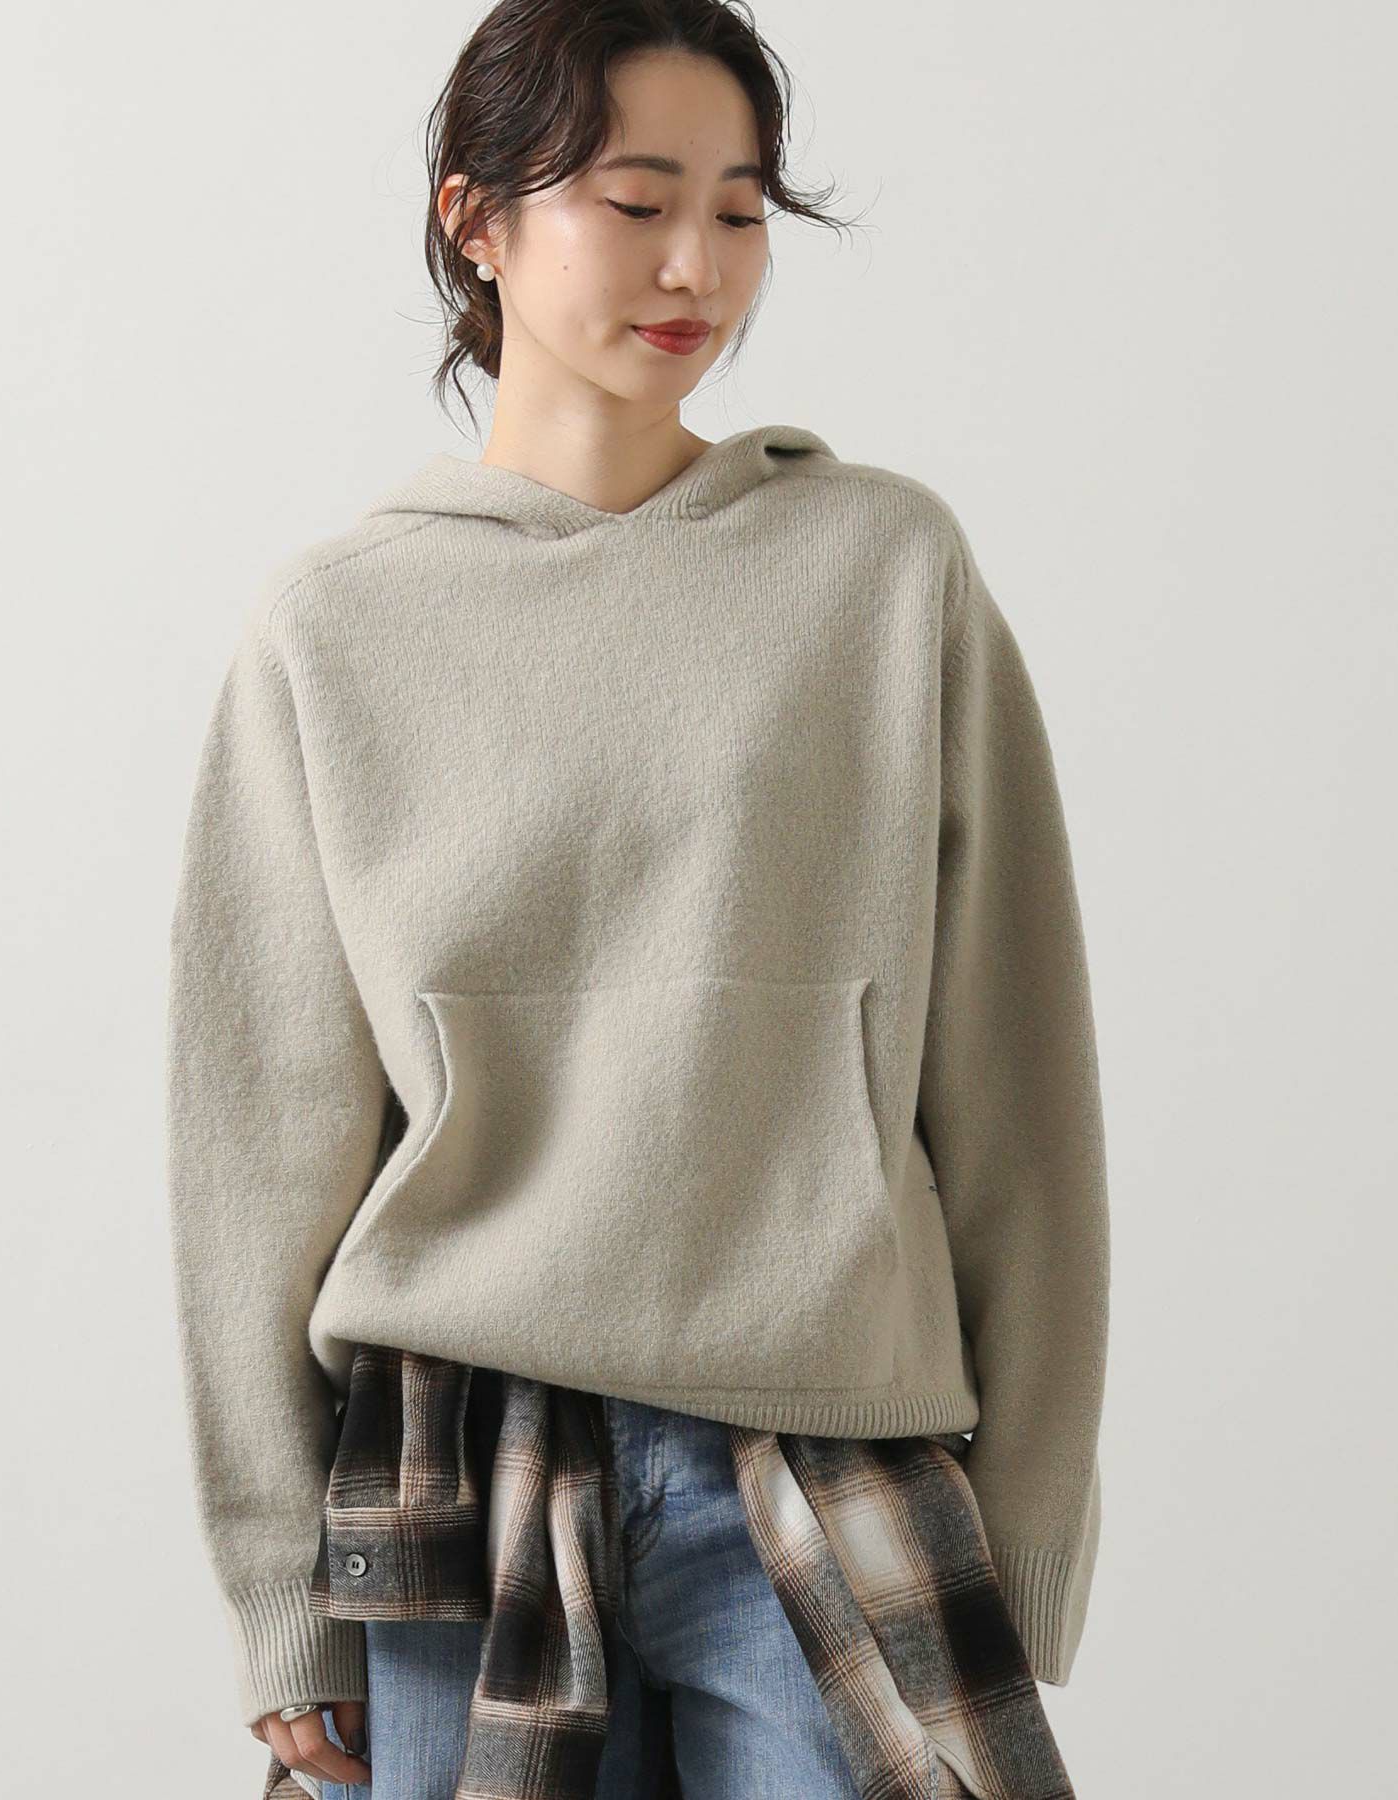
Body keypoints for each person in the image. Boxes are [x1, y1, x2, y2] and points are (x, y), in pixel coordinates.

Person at [163, 3, 1111, 1795]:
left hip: (834, 1439)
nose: (699, 267)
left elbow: (1019, 1091)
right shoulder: (333, 628)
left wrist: (1037, 1518)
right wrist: (278, 1590)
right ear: (475, 219)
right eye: (638, 200)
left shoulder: (883, 569)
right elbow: (257, 1155)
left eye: (742, 210)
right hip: (459, 1468)